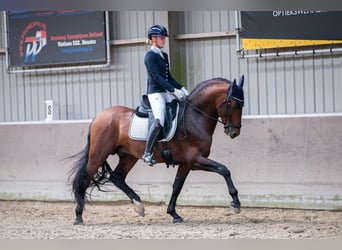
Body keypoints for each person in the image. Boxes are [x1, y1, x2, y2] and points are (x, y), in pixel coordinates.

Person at [141, 24, 189, 166]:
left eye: (164, 38)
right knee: (159, 120)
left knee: (182, 107)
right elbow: (157, 77)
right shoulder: (149, 56)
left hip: (165, 91)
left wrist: (181, 87)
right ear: (154, 39)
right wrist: (173, 91)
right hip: (155, 93)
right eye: (162, 38)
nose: (164, 40)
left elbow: (168, 78)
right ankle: (147, 153)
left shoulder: (164, 55)